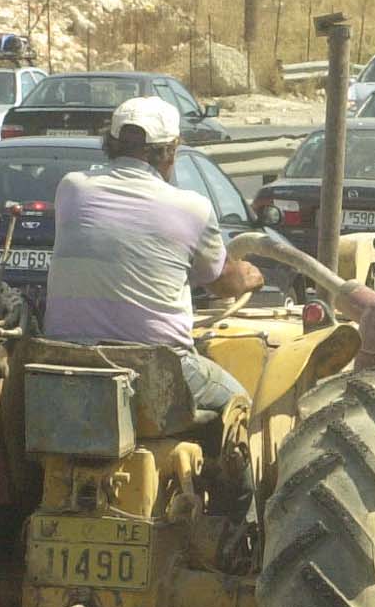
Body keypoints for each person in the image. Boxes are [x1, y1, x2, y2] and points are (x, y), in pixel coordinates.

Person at [44, 95, 262, 415]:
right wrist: (248, 278)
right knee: (241, 407)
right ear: (171, 151)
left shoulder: (71, 188)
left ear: (111, 143)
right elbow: (222, 284)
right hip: (157, 367)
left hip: (70, 361)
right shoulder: (192, 207)